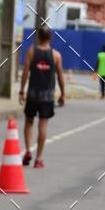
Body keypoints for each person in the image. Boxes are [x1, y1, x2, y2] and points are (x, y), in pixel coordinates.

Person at [19, 25, 65, 169]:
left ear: (38, 37)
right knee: (43, 125)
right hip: (47, 96)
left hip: (32, 94)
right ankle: (39, 158)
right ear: (51, 37)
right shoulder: (56, 55)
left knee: (28, 122)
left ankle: (27, 151)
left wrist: (21, 91)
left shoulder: (31, 52)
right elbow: (60, 76)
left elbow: (25, 72)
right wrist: (63, 93)